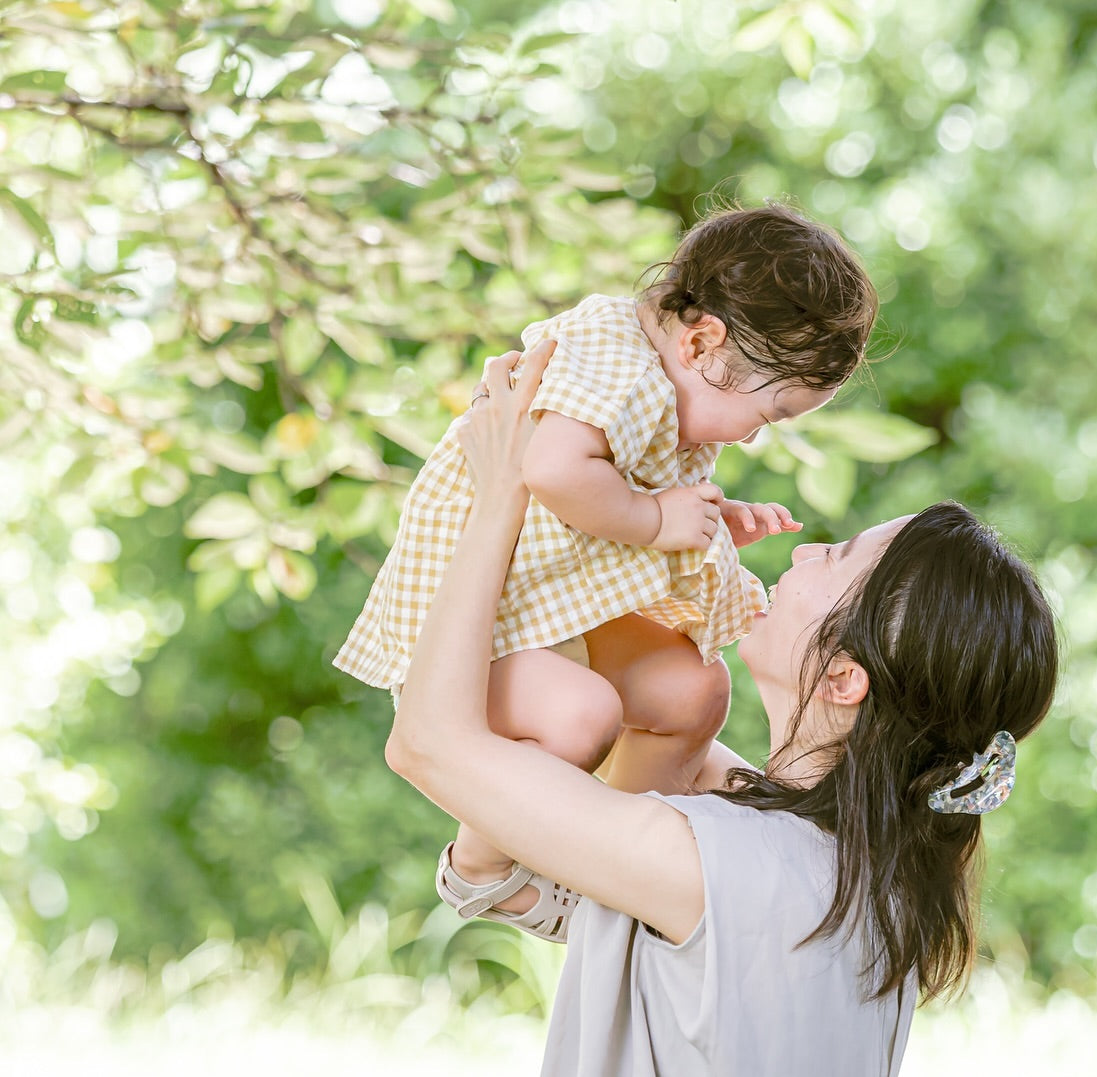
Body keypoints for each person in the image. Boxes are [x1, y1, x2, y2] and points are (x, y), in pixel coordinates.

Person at [385, 346, 1061, 1074]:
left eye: (834, 557)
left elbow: (427, 743)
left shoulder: (732, 863)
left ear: (841, 677)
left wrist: (501, 496)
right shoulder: (860, 876)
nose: (802, 557)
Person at [336, 203, 877, 931]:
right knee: (584, 715)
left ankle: (612, 872)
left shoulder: (671, 382)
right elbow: (553, 470)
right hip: (478, 623)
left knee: (695, 689)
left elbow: (620, 482)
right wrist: (657, 520)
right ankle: (483, 866)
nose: (753, 435)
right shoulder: (615, 361)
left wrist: (713, 518)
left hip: (545, 609)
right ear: (702, 342)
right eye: (771, 413)